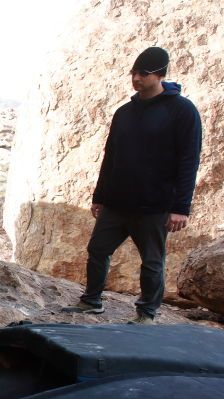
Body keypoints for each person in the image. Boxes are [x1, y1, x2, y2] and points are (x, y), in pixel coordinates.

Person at [65, 46, 202, 324]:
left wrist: (180, 208)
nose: (136, 78)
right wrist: (99, 195)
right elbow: (110, 156)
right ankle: (91, 301)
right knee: (98, 249)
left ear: (160, 75)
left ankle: (146, 313)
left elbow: (189, 161)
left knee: (152, 262)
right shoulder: (124, 112)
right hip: (117, 202)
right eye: (134, 72)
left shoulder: (182, 111)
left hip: (155, 204)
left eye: (144, 73)